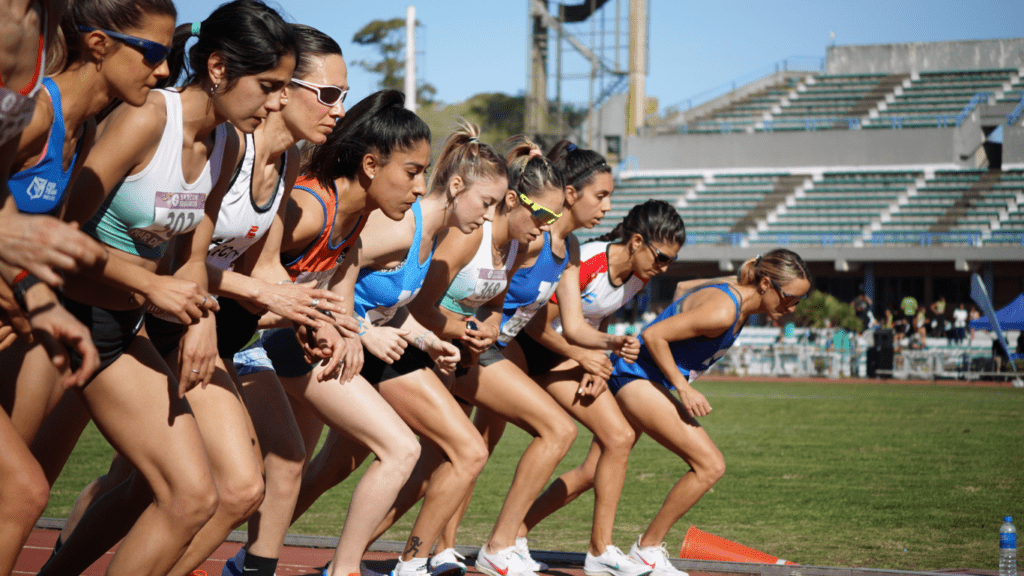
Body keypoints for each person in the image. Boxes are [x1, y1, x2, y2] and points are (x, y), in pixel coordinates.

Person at [36, 23, 350, 576]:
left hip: (133, 328)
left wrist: (281, 313)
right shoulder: (156, 118)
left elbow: (204, 258)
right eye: (273, 85)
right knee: (26, 489)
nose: (279, 100)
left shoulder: (233, 144)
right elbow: (61, 231)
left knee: (194, 493)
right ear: (221, 70)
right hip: (65, 317)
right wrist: (165, 287)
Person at [287, 122, 509, 576]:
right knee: (459, 449)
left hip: (372, 348)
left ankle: (286, 558)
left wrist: (430, 340)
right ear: (456, 186)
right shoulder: (402, 226)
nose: (489, 218)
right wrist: (361, 330)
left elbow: (393, 306)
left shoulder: (435, 233)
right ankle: (404, 563)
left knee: (327, 470)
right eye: (486, 203)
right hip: (333, 342)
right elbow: (327, 268)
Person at [232, 88, 432, 576]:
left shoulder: (358, 216)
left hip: (281, 342)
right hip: (230, 340)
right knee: (203, 489)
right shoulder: (311, 208)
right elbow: (240, 278)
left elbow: (339, 299)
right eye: (412, 172)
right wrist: (313, 319)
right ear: (370, 165)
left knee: (284, 472)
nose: (421, 187)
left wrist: (344, 331)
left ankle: (274, 567)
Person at [434, 142, 653, 576]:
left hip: (497, 344)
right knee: (469, 446)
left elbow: (572, 325)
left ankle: (495, 542)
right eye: (601, 196)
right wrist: (474, 330)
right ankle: (447, 547)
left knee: (479, 445)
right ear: (570, 193)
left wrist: (609, 346)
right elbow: (492, 295)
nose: (608, 207)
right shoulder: (529, 238)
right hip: (477, 345)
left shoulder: (568, 248)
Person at [524, 249, 810, 576]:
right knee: (709, 465)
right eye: (789, 297)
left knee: (593, 470)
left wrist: (685, 311)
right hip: (635, 375)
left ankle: (515, 532)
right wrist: (683, 387)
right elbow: (653, 334)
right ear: (764, 283)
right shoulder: (723, 310)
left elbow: (684, 288)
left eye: (798, 300)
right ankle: (647, 549)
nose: (792, 307)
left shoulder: (734, 295)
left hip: (636, 375)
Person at [403, 136, 578, 576]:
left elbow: (497, 299)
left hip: (468, 351)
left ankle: (472, 548)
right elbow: (420, 308)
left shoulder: (521, 243)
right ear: (514, 200)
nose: (545, 225)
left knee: (549, 431)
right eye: (541, 214)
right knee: (402, 465)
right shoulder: (470, 236)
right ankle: (364, 558)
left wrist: (494, 324)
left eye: (554, 217)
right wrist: (465, 330)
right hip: (426, 347)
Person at [509, 199, 687, 572]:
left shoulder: (638, 277)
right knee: (480, 443)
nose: (664, 268)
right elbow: (538, 325)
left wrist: (597, 361)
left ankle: (599, 551)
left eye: (671, 261)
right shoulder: (589, 260)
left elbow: (598, 318)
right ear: (636, 242)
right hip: (526, 348)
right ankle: (491, 541)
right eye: (661, 257)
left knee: (619, 438)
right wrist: (585, 356)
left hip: (567, 353)